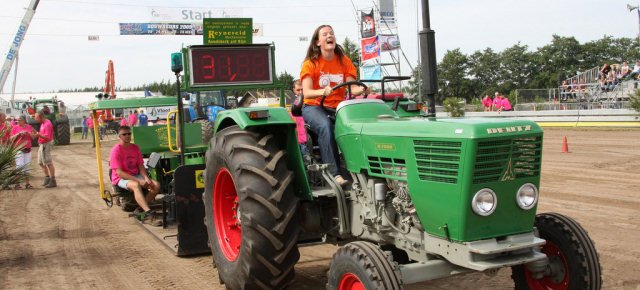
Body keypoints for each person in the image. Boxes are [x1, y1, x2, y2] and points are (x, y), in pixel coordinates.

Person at [300, 25, 369, 187]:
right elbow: (307, 92)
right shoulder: (310, 64)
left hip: (337, 107)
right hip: (313, 107)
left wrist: (362, 89)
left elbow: (352, 87)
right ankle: (334, 174)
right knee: (325, 125)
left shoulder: (343, 61)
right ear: (318, 42)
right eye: (325, 34)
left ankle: (361, 170)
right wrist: (322, 92)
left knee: (357, 126)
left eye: (331, 33)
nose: (329, 36)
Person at [110, 126, 160, 223]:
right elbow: (119, 173)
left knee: (156, 185)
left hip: (136, 175)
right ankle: (148, 212)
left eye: (129, 134)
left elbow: (140, 166)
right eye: (124, 134)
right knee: (136, 185)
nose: (127, 136)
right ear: (119, 136)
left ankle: (139, 208)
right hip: (120, 178)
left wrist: (146, 177)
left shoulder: (135, 147)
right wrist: (139, 180)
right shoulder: (116, 151)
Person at [31, 110, 57, 188]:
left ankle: (53, 180)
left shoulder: (47, 124)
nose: (35, 119)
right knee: (40, 162)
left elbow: (47, 137)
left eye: (36, 117)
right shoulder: (43, 123)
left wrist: (38, 134)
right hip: (41, 144)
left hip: (46, 144)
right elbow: (42, 134)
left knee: (48, 162)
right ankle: (47, 177)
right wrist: (36, 134)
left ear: (41, 117)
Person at [10, 115, 34, 189]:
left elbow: (33, 137)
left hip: (27, 149)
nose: (18, 121)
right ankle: (17, 184)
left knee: (27, 167)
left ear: (24, 121)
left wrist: (28, 133)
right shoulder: (15, 128)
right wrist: (18, 134)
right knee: (19, 166)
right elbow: (11, 138)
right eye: (18, 120)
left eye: (20, 120)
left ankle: (27, 183)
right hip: (19, 149)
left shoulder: (29, 127)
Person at [290, 79, 308, 155]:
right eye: (298, 90)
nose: (300, 92)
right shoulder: (293, 107)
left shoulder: (312, 105)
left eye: (302, 90)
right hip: (298, 141)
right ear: (294, 90)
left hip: (308, 141)